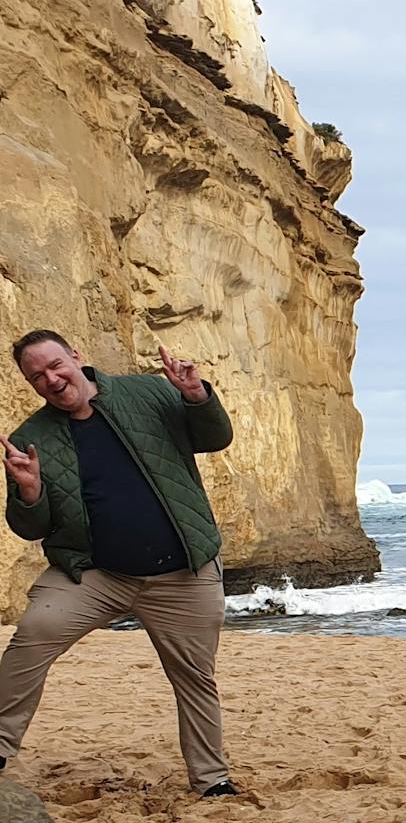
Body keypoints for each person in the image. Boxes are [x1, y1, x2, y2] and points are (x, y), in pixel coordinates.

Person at [1, 330, 239, 796]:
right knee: (32, 637)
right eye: (37, 376)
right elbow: (30, 527)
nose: (51, 379)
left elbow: (215, 438)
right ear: (31, 384)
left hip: (182, 573)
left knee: (195, 677)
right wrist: (29, 492)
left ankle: (212, 780)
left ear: (76, 354)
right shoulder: (31, 438)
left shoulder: (147, 392)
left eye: (56, 365)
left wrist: (195, 396)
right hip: (94, 574)